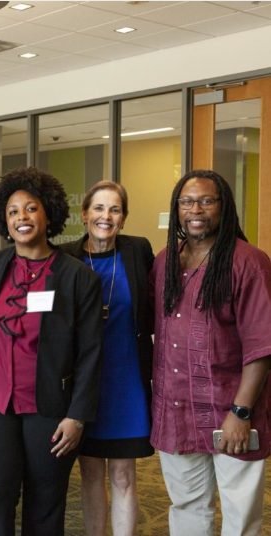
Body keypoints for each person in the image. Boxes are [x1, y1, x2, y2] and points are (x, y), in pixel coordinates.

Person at [0, 166, 103, 536]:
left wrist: (77, 416)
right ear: (3, 220)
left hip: (49, 409)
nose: (21, 217)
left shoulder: (77, 277)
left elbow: (91, 354)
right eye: (12, 211)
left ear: (49, 214)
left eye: (30, 208)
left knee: (45, 504)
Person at [150, 169, 271, 535]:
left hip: (229, 411)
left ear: (224, 206)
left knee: (240, 514)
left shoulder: (248, 261)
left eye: (207, 200)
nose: (195, 209)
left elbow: (262, 346)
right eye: (186, 202)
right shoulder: (165, 260)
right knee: (186, 506)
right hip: (176, 411)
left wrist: (241, 411)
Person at [61, 181, 154, 536]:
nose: (106, 216)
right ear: (84, 214)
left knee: (123, 473)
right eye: (99, 208)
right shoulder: (66, 256)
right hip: (85, 385)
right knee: (90, 473)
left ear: (124, 219)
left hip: (126, 380)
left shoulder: (138, 251)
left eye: (115, 210)